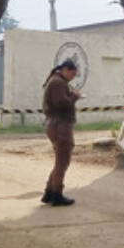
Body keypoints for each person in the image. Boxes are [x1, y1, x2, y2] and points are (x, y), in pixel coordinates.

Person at [42, 59, 82, 206]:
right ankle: (57, 194)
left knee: (60, 160)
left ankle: (49, 192)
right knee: (62, 161)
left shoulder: (55, 81)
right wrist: (75, 96)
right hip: (61, 125)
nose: (73, 77)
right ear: (65, 69)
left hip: (54, 124)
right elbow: (62, 103)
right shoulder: (58, 83)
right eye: (72, 74)